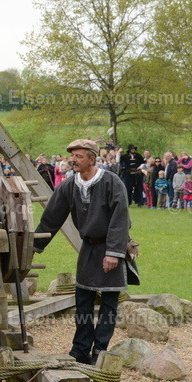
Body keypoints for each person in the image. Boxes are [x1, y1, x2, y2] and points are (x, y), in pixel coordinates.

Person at [33, 138, 131, 364]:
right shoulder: (69, 184)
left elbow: (120, 218)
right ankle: (80, 349)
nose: (72, 160)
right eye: (72, 156)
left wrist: (114, 253)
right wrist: (35, 246)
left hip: (110, 247)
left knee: (108, 303)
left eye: (78, 156)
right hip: (88, 248)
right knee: (83, 300)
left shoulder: (111, 182)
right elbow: (52, 217)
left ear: (91, 159)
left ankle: (100, 350)